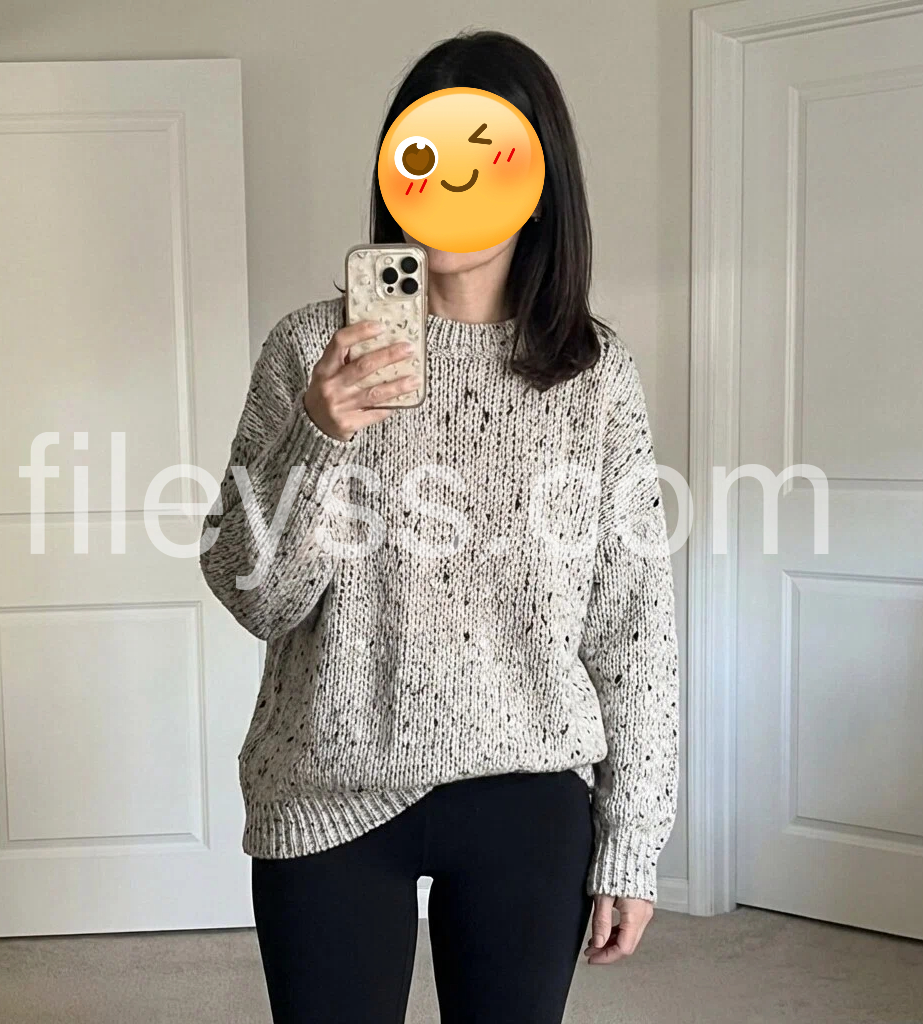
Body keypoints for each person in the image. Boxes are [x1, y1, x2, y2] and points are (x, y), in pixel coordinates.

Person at [199, 28, 680, 1024]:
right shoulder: (311, 349)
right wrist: (319, 436)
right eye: (426, 155)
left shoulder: (595, 377)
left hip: (527, 793)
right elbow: (256, 594)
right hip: (327, 784)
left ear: (538, 181)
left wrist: (633, 837)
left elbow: (633, 623)